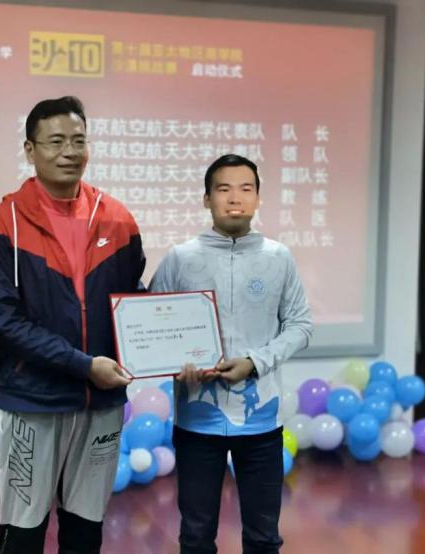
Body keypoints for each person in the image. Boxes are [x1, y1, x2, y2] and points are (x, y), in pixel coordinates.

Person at [0, 96, 145, 553]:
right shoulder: (5, 221)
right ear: (30, 150)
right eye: (56, 141)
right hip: (33, 401)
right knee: (23, 533)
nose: (70, 152)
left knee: (85, 531)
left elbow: (131, 301)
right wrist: (83, 365)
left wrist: (173, 335)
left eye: (78, 140)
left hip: (101, 404)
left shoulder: (117, 218)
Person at [150, 154, 312, 553]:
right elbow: (152, 326)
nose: (234, 198)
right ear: (206, 198)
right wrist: (174, 366)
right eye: (223, 189)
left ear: (257, 198)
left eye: (245, 188)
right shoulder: (181, 257)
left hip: (261, 420)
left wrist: (255, 363)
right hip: (197, 419)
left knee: (263, 536)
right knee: (196, 535)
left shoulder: (278, 257)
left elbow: (300, 325)